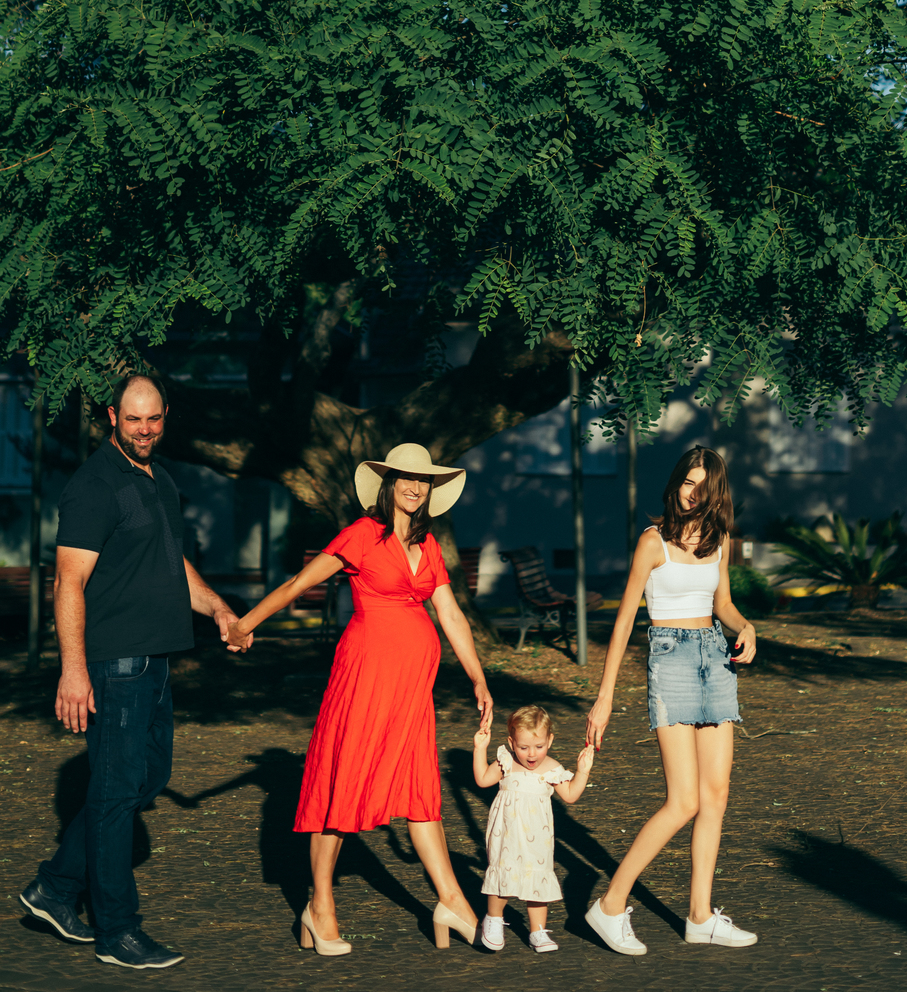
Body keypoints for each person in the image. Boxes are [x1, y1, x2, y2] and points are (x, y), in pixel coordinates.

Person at [20, 369, 251, 971]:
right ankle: (116, 931)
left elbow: (170, 561)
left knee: (143, 780)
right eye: (133, 419)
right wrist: (74, 670)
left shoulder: (158, 479)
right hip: (114, 665)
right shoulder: (94, 486)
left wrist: (221, 611)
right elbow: (68, 582)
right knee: (118, 796)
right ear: (111, 418)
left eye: (153, 419)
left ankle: (53, 888)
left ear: (164, 416)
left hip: (155, 662)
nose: (144, 429)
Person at [226, 441, 492, 953]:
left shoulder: (428, 544)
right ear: (389, 483)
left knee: (420, 789)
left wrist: (478, 678)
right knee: (343, 784)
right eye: (406, 478)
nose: (415, 487)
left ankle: (452, 902)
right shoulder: (362, 536)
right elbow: (300, 582)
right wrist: (245, 625)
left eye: (424, 480)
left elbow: (451, 614)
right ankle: (319, 906)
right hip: (366, 676)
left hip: (414, 685)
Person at [585, 446, 758, 955]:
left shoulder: (719, 540)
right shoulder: (652, 542)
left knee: (716, 795)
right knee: (683, 799)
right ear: (676, 483)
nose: (692, 492)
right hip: (671, 660)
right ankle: (610, 905)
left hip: (715, 658)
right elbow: (622, 621)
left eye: (702, 485)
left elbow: (720, 602)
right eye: (687, 481)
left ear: (715, 492)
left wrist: (745, 626)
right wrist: (605, 695)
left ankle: (700, 915)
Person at [473, 702, 594, 954]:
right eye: (523, 747)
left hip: (537, 837)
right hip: (505, 832)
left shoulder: (551, 768)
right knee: (501, 874)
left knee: (537, 879)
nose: (531, 754)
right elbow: (483, 779)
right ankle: (493, 920)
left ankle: (537, 930)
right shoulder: (506, 761)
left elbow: (570, 795)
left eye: (538, 747)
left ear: (549, 741)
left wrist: (582, 772)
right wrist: (479, 749)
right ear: (511, 742)